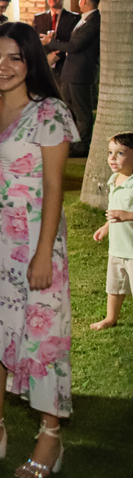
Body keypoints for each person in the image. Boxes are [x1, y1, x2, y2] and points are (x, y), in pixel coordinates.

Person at [0, 22, 76, 478]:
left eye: (15, 58)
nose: (2, 66)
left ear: (31, 62)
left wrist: (44, 253)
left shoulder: (49, 112)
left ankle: (50, 434)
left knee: (39, 336)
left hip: (34, 242)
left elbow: (54, 187)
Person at [43, 0, 101, 156]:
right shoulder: (85, 19)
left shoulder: (93, 22)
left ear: (85, 0)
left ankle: (82, 146)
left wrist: (50, 43)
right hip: (71, 71)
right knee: (67, 108)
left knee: (82, 111)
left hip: (81, 73)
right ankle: (72, 142)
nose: (79, 2)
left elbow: (75, 46)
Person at [90, 132, 133, 330]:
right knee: (114, 286)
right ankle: (110, 318)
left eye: (120, 153)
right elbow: (115, 211)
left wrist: (128, 215)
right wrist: (106, 226)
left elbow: (123, 213)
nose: (112, 158)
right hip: (117, 248)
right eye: (110, 153)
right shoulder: (114, 179)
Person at [32, 0, 79, 81]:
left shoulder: (74, 18)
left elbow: (74, 43)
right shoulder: (38, 18)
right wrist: (46, 57)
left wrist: (58, 55)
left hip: (64, 65)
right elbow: (33, 41)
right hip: (44, 64)